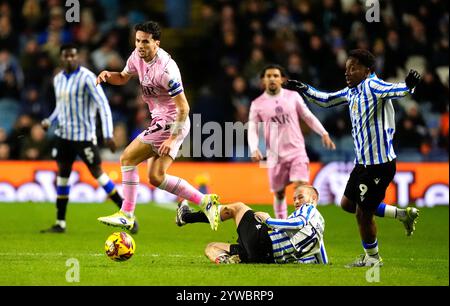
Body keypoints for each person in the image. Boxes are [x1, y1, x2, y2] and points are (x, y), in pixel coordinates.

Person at [283, 49, 421, 267]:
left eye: (353, 68)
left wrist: (409, 84)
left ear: (367, 71)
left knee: (362, 214)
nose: (347, 73)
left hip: (379, 165)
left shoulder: (373, 86)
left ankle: (373, 260)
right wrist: (304, 88)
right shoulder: (352, 91)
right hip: (362, 164)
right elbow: (327, 100)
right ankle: (402, 215)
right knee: (347, 204)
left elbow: (398, 90)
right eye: (346, 68)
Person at [95, 21, 220, 231]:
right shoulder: (136, 56)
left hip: (172, 122)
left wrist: (172, 138)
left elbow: (184, 108)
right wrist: (109, 75)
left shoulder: (166, 71)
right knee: (155, 177)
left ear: (157, 43)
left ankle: (127, 213)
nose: (140, 45)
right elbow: (124, 78)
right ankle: (205, 201)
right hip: (162, 120)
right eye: (137, 41)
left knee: (127, 158)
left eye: (145, 41)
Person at [40, 43, 137, 233]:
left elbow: (103, 105)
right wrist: (49, 120)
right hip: (63, 136)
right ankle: (60, 223)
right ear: (61, 58)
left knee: (98, 174)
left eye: (73, 55)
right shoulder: (58, 79)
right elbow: (60, 107)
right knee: (62, 176)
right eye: (66, 56)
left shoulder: (87, 78)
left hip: (84, 137)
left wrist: (108, 134)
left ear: (78, 57)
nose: (70, 59)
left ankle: (127, 215)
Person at [248, 64, 336, 219]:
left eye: (275, 75)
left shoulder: (293, 97)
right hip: (275, 155)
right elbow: (253, 129)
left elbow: (307, 116)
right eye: (268, 76)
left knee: (301, 187)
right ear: (263, 80)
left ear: (282, 79)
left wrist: (323, 132)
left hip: (297, 151)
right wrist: (254, 148)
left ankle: (304, 223)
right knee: (279, 193)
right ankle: (282, 226)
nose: (272, 79)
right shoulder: (257, 104)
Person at [176, 184, 328, 264]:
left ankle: (186, 216)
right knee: (211, 247)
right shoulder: (318, 228)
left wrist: (269, 220)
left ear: (313, 198)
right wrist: (324, 264)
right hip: (264, 258)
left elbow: (298, 223)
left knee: (238, 207)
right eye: (294, 198)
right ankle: (226, 260)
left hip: (264, 243)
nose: (296, 202)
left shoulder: (308, 209)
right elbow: (320, 253)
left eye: (300, 197)